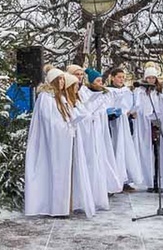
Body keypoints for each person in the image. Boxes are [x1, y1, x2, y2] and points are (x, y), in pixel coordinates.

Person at [24, 66, 97, 217]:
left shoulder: (60, 97)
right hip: (55, 142)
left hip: (64, 140)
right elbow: (50, 121)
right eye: (60, 79)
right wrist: (67, 127)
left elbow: (68, 115)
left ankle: (64, 206)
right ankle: (57, 208)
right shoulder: (46, 97)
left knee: (64, 173)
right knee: (56, 172)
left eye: (64, 78)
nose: (63, 81)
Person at [80, 68, 122, 195]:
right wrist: (103, 113)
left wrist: (111, 113)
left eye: (101, 81)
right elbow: (89, 109)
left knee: (105, 155)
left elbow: (106, 106)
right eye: (97, 81)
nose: (100, 83)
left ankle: (107, 185)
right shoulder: (85, 92)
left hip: (103, 127)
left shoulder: (105, 93)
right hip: (92, 128)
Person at [132, 67, 163, 192]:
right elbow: (137, 107)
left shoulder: (160, 92)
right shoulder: (140, 92)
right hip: (144, 125)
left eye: (153, 78)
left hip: (157, 124)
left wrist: (160, 117)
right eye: (149, 78)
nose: (151, 80)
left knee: (158, 153)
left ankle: (159, 181)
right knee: (146, 153)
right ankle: (149, 181)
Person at [107, 68, 143, 190]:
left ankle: (126, 179)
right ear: (112, 77)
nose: (121, 79)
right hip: (113, 123)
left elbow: (131, 105)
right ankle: (115, 179)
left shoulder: (127, 91)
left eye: (123, 77)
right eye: (119, 77)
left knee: (126, 149)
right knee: (115, 148)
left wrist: (131, 112)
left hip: (126, 122)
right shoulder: (108, 91)